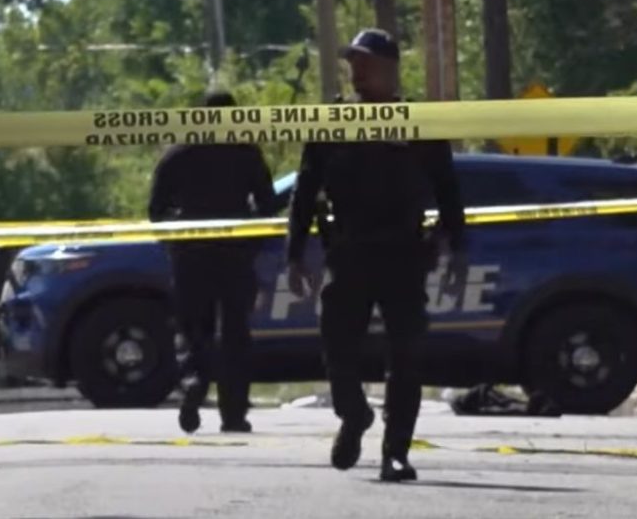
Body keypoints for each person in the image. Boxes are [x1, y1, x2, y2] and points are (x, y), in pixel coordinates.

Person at [285, 28, 468, 482]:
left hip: (404, 253)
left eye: (365, 63)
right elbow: (305, 191)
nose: (357, 71)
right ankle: (354, 414)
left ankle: (396, 452)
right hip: (348, 252)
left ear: (390, 69)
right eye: (353, 63)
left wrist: (458, 250)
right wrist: (294, 255)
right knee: (336, 342)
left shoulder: (416, 122)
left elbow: (448, 189)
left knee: (406, 354)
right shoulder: (334, 121)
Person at [148, 90, 277, 434]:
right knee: (235, 334)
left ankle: (193, 382)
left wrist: (173, 242)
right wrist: (253, 242)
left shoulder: (178, 154)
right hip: (235, 255)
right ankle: (233, 414)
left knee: (194, 329)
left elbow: (155, 211)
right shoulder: (246, 153)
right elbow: (267, 205)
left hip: (191, 254)